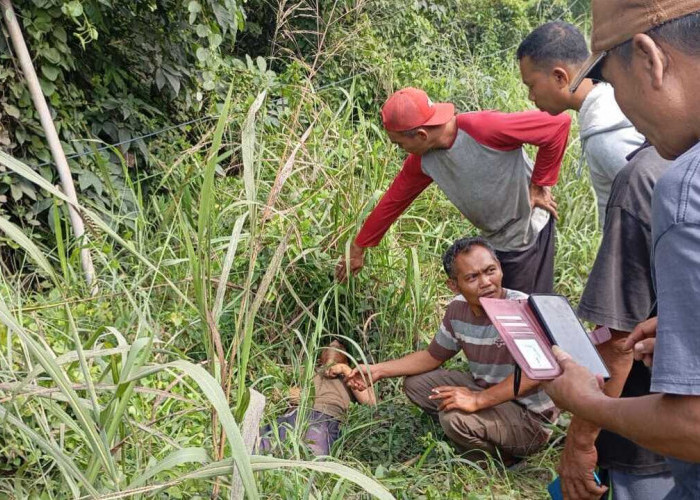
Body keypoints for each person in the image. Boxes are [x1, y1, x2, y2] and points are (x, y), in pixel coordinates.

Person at [543, 3, 700, 499]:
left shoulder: (682, 186)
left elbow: (694, 424)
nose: (620, 107)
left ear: (650, 59)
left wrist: (589, 405)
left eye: (611, 84)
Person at [335, 87, 571, 294]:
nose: (401, 149)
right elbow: (393, 202)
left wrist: (540, 183)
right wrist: (358, 247)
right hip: (496, 238)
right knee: (497, 311)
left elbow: (556, 126)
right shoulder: (423, 160)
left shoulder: (483, 128)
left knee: (527, 312)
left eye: (399, 143)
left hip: (527, 229)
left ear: (421, 135)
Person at [346, 237, 558, 462]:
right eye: (472, 277)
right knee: (417, 385)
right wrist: (378, 370)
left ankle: (498, 458)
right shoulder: (458, 309)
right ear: (454, 285)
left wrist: (478, 400)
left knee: (453, 418)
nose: (486, 282)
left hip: (529, 418)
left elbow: (537, 372)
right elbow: (432, 356)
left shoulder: (520, 308)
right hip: (489, 395)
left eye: (490, 271)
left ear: (501, 269)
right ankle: (479, 429)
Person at [517, 21, 644, 227]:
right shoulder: (616, 100)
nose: (531, 96)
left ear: (560, 77)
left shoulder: (606, 138)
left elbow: (658, 204)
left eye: (532, 85)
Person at [258, 340, 376, 456]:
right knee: (258, 448)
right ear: (320, 357)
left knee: (310, 460)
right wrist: (290, 394)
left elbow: (370, 401)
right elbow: (275, 391)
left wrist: (345, 370)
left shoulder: (351, 375)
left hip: (324, 418)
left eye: (339, 347)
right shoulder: (308, 370)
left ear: (347, 359)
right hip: (296, 414)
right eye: (329, 347)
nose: (333, 348)